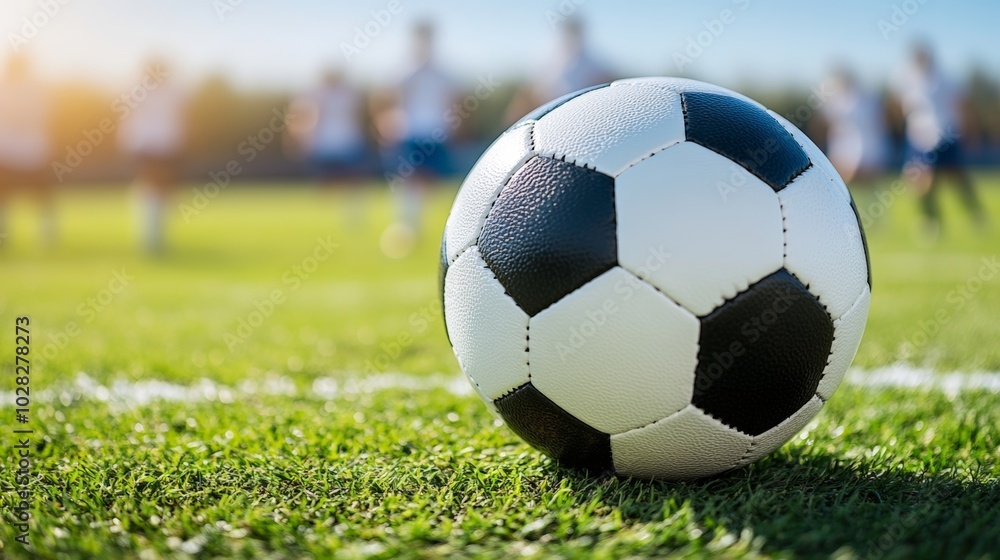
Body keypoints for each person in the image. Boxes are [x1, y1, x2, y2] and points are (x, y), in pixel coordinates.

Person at [379, 21, 456, 254]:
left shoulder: (442, 72)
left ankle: (418, 226)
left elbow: (450, 101)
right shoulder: (405, 71)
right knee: (410, 180)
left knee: (428, 182)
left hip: (436, 132)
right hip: (411, 132)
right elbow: (387, 98)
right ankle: (406, 226)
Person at [894, 42, 987, 237]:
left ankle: (977, 215)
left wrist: (971, 132)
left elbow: (963, 105)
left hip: (944, 135)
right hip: (918, 138)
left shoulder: (946, 79)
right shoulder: (907, 79)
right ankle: (932, 221)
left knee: (957, 178)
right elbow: (905, 107)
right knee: (918, 181)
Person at [286, 68, 372, 225]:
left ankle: (353, 218)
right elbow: (299, 116)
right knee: (327, 185)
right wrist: (301, 139)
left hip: (348, 143)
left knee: (355, 182)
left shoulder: (349, 94)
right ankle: (325, 219)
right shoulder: (314, 94)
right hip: (324, 146)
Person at [118, 58, 186, 254]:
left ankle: (152, 235)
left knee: (157, 191)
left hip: (159, 145)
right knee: (152, 190)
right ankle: (150, 236)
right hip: (152, 146)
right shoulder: (157, 91)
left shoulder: (166, 91)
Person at [505, 16, 614, 124]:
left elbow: (605, 84)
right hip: (549, 115)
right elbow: (530, 91)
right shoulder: (548, 58)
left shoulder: (592, 60)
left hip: (580, 116)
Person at [0, 53, 55, 247]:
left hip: (9, 151)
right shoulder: (38, 90)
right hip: (33, 150)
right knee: (43, 197)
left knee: (4, 197)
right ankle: (47, 236)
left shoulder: (4, 89)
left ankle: (4, 236)